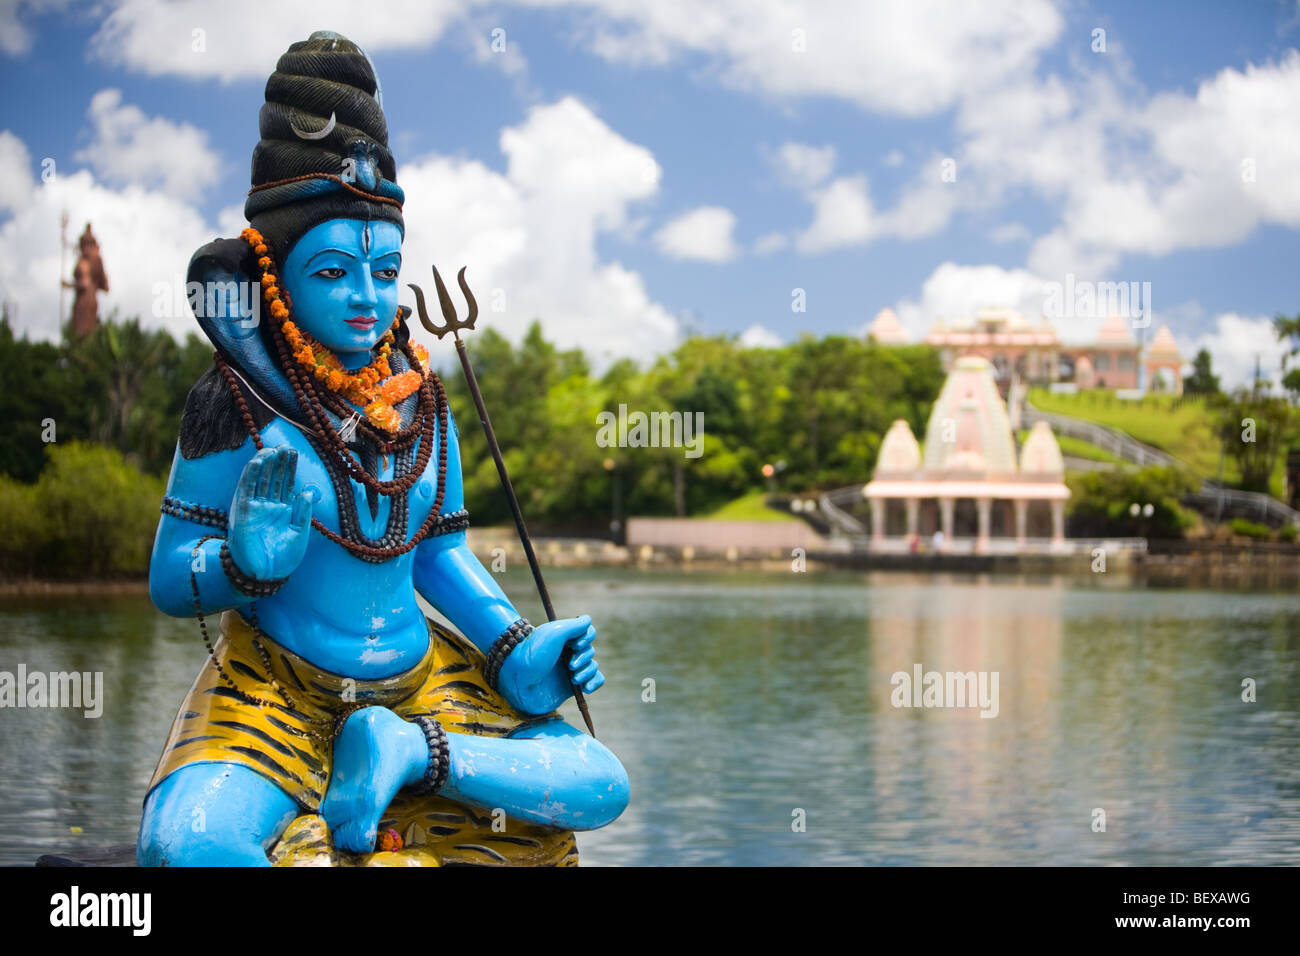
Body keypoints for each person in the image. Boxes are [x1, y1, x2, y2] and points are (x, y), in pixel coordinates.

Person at [137, 31, 628, 867]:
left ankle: (409, 753)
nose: (366, 298)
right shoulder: (237, 404)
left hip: (421, 684)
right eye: (332, 273)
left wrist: (513, 647)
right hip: (278, 689)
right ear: (270, 275)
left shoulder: (424, 400)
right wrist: (242, 566)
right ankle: (378, 769)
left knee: (598, 780)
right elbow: (167, 577)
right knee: (190, 845)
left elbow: (438, 554)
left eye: (384, 269)